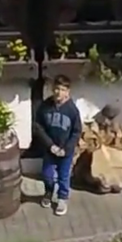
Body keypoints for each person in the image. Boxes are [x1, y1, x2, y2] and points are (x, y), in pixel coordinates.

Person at [33, 75, 83, 216]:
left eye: (62, 90)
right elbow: (38, 127)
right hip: (50, 149)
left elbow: (76, 131)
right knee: (47, 175)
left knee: (63, 176)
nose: (58, 93)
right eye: (56, 89)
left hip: (65, 151)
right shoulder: (45, 106)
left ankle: (62, 198)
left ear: (68, 92)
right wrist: (50, 145)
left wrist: (66, 149)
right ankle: (48, 192)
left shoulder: (72, 110)